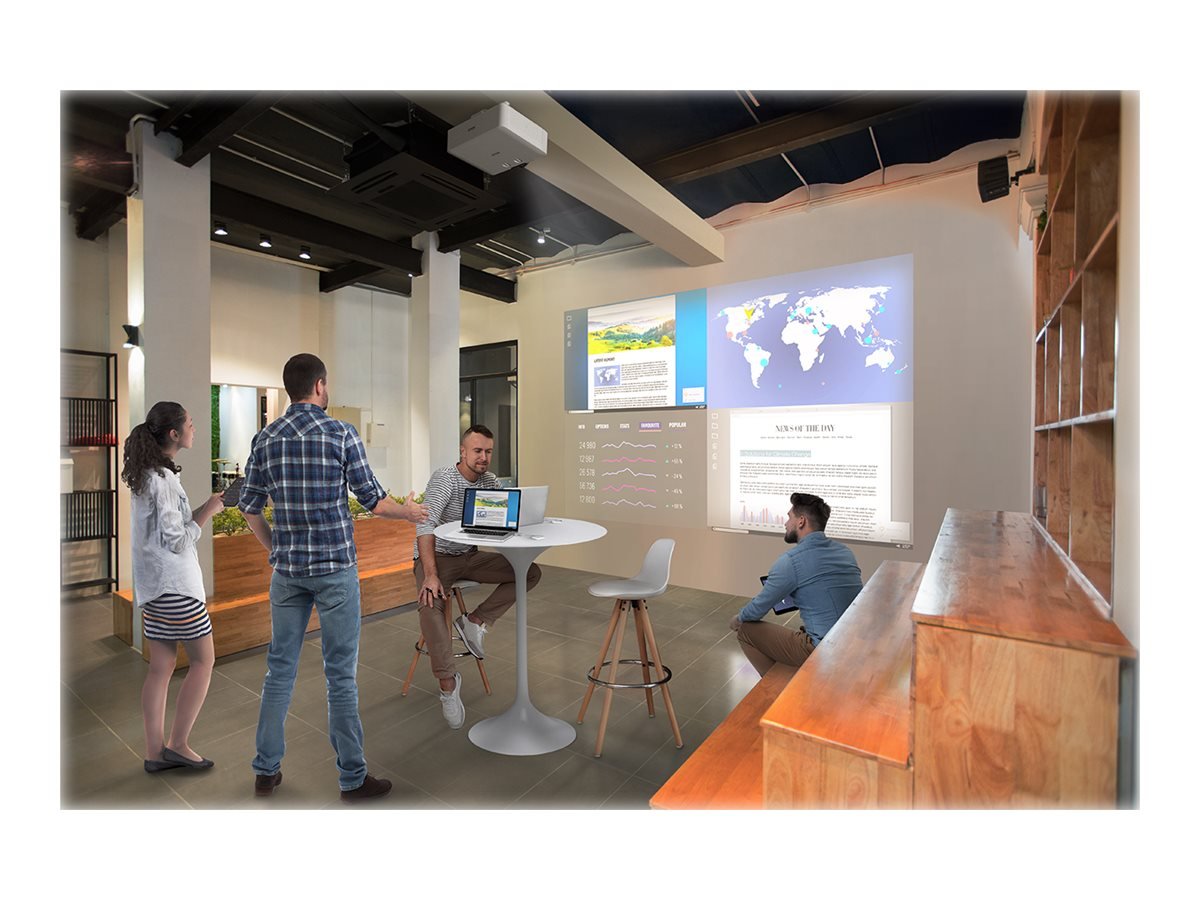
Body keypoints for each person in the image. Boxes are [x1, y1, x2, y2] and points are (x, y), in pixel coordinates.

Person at [239, 353, 428, 803]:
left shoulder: (265, 438)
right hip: (335, 571)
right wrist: (410, 513)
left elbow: (249, 508)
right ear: (320, 386)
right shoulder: (340, 433)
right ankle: (352, 778)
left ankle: (265, 770)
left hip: (288, 573)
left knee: (278, 670)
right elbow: (374, 502)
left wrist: (276, 549)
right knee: (340, 676)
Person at [413, 424, 542, 729]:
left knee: (528, 572)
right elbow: (424, 525)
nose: (483, 457)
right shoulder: (445, 478)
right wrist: (430, 574)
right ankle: (448, 684)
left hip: (469, 556)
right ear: (463, 451)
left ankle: (474, 621)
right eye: (477, 451)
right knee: (430, 605)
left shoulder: (490, 481)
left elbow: (499, 521)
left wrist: (517, 523)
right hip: (439, 557)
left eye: (488, 452)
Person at [123, 401, 225, 773]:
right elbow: (178, 540)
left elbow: (172, 528)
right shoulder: (163, 480)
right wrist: (209, 513)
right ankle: (178, 745)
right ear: (173, 433)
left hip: (154, 590)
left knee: (161, 667)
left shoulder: (148, 475)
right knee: (203, 661)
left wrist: (207, 505)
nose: (194, 429)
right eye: (190, 424)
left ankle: (155, 753)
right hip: (177, 589)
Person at [729, 492, 863, 676]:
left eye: (789, 517)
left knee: (746, 629)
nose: (785, 523)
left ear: (801, 521)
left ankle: (779, 689)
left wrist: (737, 619)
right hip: (855, 645)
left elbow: (758, 608)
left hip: (825, 652)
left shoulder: (790, 561)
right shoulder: (845, 552)